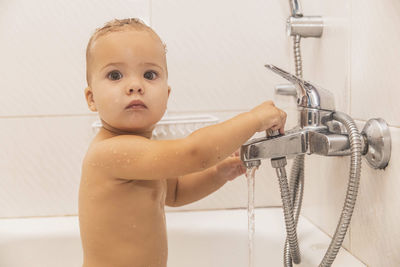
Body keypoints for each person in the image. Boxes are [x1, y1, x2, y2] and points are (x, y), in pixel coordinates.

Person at [79, 18, 287, 267]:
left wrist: (219, 173)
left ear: (166, 96)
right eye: (115, 75)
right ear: (92, 98)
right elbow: (193, 153)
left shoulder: (142, 151)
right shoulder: (110, 151)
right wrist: (254, 119)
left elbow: (176, 192)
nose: (135, 86)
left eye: (149, 74)